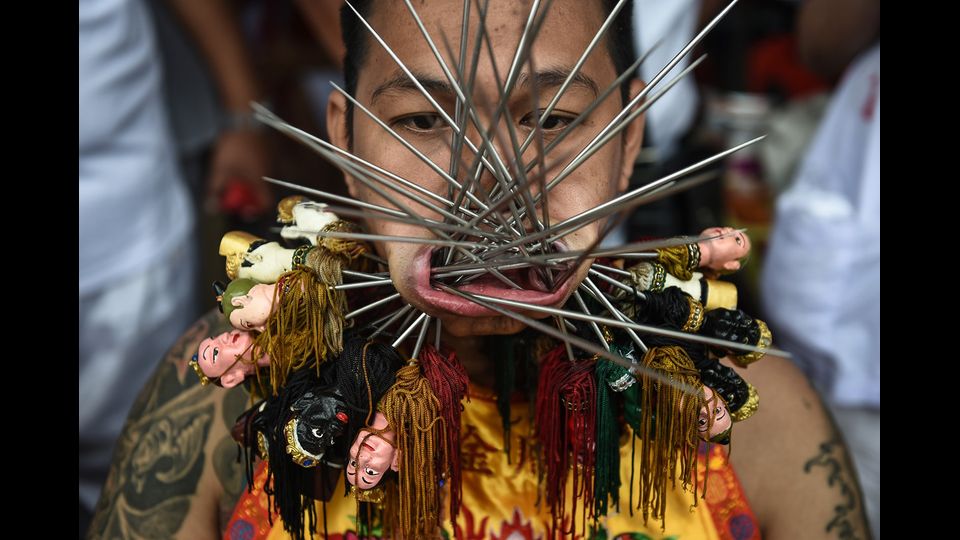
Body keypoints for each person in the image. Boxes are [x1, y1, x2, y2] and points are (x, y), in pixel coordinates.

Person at [87, 1, 871, 539]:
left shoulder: (748, 418)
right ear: (347, 141)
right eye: (423, 119)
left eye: (553, 117)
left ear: (629, 140)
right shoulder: (227, 394)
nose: (492, 183)